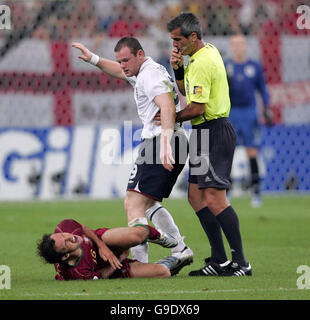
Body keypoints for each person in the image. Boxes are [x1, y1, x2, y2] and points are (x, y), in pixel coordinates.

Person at [72, 37, 193, 267]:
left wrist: (166, 143)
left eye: (126, 59)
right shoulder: (145, 69)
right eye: (120, 60)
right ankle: (180, 249)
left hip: (162, 140)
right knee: (143, 202)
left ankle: (139, 261)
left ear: (140, 54)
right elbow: (119, 71)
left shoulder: (150, 75)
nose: (123, 65)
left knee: (134, 203)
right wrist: (94, 59)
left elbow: (167, 104)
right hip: (165, 140)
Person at [162, 12, 251, 276]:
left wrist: (172, 118)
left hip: (213, 131)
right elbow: (187, 91)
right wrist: (178, 68)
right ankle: (220, 259)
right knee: (195, 196)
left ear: (193, 36)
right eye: (172, 40)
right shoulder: (201, 54)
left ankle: (241, 263)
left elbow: (198, 108)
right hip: (203, 133)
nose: (175, 45)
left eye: (178, 40)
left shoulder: (202, 62)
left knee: (214, 197)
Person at [37, 219, 189, 280]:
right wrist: (121, 259)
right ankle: (178, 258)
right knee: (162, 273)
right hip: (115, 266)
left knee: (136, 236)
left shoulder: (63, 227)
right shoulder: (78, 272)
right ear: (65, 257)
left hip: (103, 240)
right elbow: (101, 275)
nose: (71, 237)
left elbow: (82, 228)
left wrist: (102, 246)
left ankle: (158, 236)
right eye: (67, 243)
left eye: (64, 235)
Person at [225, 34, 271, 207]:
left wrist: (266, 108)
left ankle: (256, 193)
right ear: (231, 47)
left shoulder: (255, 66)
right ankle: (226, 193)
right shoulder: (225, 65)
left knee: (252, 151)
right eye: (235, 44)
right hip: (230, 113)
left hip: (249, 112)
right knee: (228, 152)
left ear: (245, 46)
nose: (238, 47)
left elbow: (262, 89)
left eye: (241, 44)